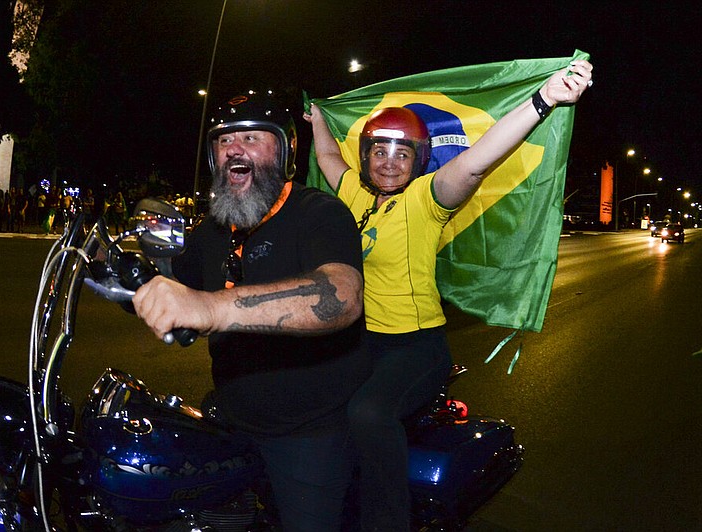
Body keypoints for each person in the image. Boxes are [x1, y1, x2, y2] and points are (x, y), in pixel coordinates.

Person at [304, 59, 593, 531]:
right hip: (360, 343)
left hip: (415, 346)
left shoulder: (427, 198)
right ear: (367, 155)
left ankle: (388, 522)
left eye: (403, 153)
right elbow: (327, 159)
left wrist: (545, 100)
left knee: (370, 412)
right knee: (305, 403)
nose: (390, 161)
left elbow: (479, 158)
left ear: (418, 159)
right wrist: (318, 119)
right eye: (380, 150)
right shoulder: (353, 195)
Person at [132, 91, 371, 531]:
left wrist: (212, 307)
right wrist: (124, 277)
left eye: (253, 138)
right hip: (231, 414)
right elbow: (172, 286)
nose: (234, 150)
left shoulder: (319, 213)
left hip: (307, 430)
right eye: (224, 142)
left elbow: (341, 295)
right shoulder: (213, 229)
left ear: (285, 152)